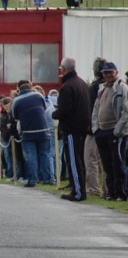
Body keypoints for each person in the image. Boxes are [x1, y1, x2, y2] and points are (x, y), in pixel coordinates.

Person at [52, 57, 90, 201]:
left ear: (64, 69)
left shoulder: (67, 87)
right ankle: (80, 189)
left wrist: (55, 113)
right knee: (79, 160)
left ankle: (78, 192)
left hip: (72, 129)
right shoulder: (81, 84)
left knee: (73, 161)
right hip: (83, 128)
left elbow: (65, 110)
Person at [91, 62, 128, 201]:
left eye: (110, 72)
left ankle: (121, 193)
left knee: (117, 164)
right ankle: (111, 192)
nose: (108, 75)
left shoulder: (122, 88)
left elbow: (126, 111)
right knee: (107, 165)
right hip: (102, 132)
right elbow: (95, 109)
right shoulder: (102, 89)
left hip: (115, 132)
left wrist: (117, 130)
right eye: (105, 73)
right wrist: (96, 129)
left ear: (116, 73)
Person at [11, 81, 51, 188]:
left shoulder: (17, 100)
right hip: (43, 129)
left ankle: (32, 180)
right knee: (45, 155)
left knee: (30, 156)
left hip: (27, 132)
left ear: (19, 90)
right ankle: (48, 179)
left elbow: (15, 116)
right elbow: (44, 108)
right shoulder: (38, 95)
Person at [85, 58, 107, 197]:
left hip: (93, 128)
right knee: (106, 161)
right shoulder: (112, 86)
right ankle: (108, 188)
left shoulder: (93, 88)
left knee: (91, 160)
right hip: (109, 127)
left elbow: (88, 108)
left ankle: (94, 189)